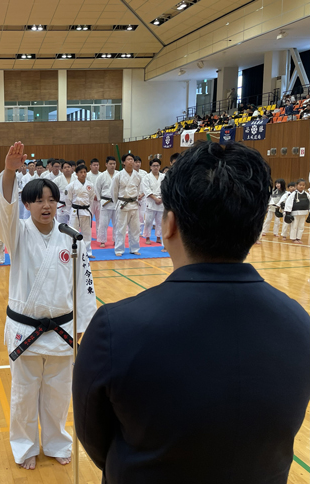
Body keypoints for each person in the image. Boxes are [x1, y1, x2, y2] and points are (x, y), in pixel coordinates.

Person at [73, 141, 310, 484]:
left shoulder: (116, 327)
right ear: (257, 226)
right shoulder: (299, 324)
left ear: (169, 224)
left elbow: (95, 438)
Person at [0, 141, 97, 470]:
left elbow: (84, 284)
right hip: (26, 331)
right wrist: (9, 171)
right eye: (39, 200)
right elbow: (5, 210)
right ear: (27, 204)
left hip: (62, 330)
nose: (46, 205)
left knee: (58, 394)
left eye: (52, 200)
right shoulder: (17, 233)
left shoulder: (72, 237)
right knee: (24, 395)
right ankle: (24, 446)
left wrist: (83, 326)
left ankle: (56, 443)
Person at [111, 153, 142, 257]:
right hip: (122, 204)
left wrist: (136, 198)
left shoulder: (138, 176)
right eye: (128, 159)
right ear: (123, 162)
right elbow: (114, 191)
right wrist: (118, 203)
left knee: (135, 229)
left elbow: (138, 190)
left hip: (134, 204)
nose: (131, 161)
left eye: (132, 159)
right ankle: (119, 249)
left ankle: (134, 248)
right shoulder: (118, 176)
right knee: (121, 228)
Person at [66, 164, 96, 258]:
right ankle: (72, 251)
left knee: (87, 233)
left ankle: (88, 252)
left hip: (86, 210)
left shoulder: (90, 185)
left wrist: (88, 207)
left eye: (84, 172)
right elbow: (68, 200)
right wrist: (70, 210)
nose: (83, 174)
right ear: (76, 174)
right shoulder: (71, 185)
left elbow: (91, 198)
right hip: (75, 211)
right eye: (81, 172)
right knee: (73, 232)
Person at [141, 159, 166, 247]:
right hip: (151, 200)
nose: (156, 167)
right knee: (148, 221)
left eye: (157, 165)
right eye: (154, 166)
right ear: (150, 167)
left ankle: (158, 237)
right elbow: (146, 189)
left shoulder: (164, 177)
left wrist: (161, 199)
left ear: (160, 166)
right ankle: (147, 237)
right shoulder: (146, 177)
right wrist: (155, 198)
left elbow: (166, 188)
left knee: (160, 221)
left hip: (161, 200)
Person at [94, 157, 117, 248]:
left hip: (116, 202)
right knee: (103, 223)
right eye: (110, 164)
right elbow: (97, 189)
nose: (112, 165)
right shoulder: (101, 176)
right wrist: (100, 200)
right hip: (105, 202)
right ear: (106, 164)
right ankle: (102, 241)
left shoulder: (119, 175)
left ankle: (116, 240)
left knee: (117, 223)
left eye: (114, 164)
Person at [283, 178, 309, 244]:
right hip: (295, 213)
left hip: (304, 212)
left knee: (301, 226)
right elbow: (288, 203)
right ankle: (293, 238)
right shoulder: (293, 194)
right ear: (297, 185)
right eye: (300, 185)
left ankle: (298, 238)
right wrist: (288, 213)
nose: (301, 186)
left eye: (303, 185)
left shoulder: (306, 194)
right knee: (294, 226)